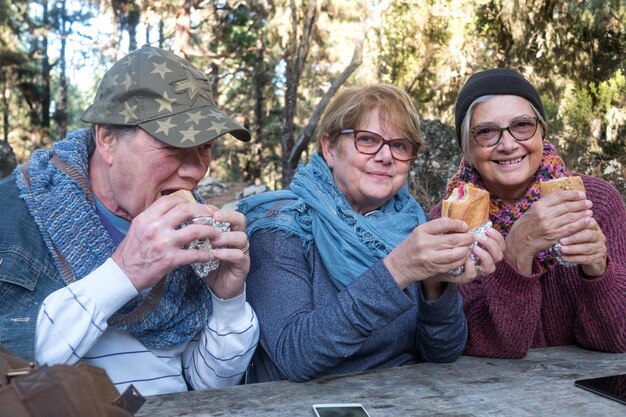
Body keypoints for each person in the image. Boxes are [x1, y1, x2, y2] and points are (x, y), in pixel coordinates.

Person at [0, 45, 259, 395]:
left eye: (206, 147)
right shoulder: (17, 212)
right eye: (173, 146)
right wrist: (125, 272)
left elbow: (208, 384)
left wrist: (227, 300)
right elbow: (13, 364)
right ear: (107, 140)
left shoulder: (193, 231)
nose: (197, 170)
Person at [238, 83, 504, 383]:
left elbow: (442, 351)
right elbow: (294, 357)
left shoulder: (411, 224)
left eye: (400, 145)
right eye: (367, 139)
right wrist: (397, 271)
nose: (385, 156)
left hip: (400, 400)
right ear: (330, 148)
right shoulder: (281, 227)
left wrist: (435, 285)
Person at [428, 68, 626, 358]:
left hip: (591, 395)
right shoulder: (448, 222)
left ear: (542, 131)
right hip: (495, 398)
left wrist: (599, 272)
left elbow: (617, 340)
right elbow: (493, 347)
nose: (508, 145)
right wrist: (517, 250)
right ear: (466, 148)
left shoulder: (597, 202)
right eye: (486, 132)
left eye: (522, 125)